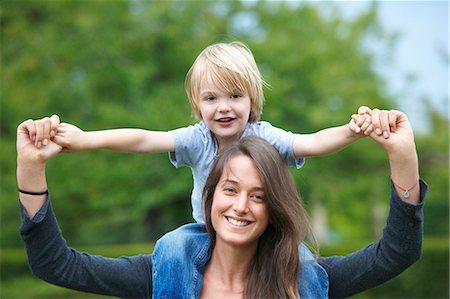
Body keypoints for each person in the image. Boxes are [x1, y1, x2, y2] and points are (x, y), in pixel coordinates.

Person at [17, 109, 427, 298]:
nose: (241, 206)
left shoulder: (304, 280)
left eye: (259, 196)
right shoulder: (164, 275)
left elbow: (396, 254)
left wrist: (402, 157)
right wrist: (31, 169)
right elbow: (56, 265)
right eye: (230, 190)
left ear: (275, 208)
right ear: (209, 196)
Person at [31, 41, 377, 224]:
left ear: (252, 100)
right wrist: (88, 139)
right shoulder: (198, 140)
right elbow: (144, 138)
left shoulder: (264, 136)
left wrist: (352, 130)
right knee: (173, 246)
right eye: (211, 98)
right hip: (207, 232)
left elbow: (313, 143)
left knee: (303, 264)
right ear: (197, 106)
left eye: (235, 96)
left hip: (262, 231)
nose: (223, 107)